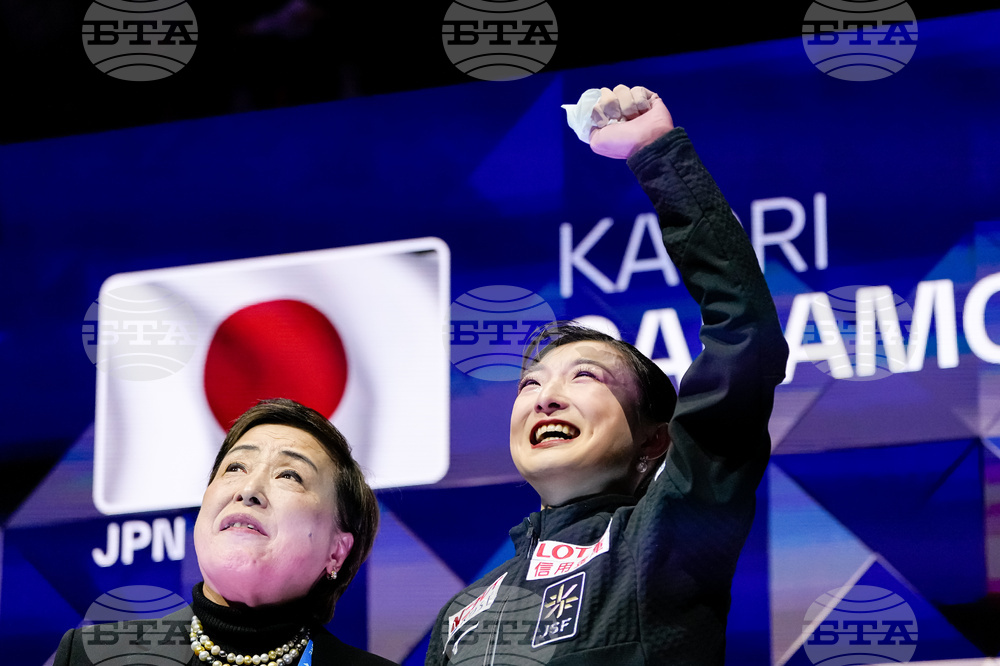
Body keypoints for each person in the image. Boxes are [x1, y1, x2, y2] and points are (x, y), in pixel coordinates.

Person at [426, 86, 789, 664]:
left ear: (654, 441)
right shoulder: (461, 616)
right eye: (530, 383)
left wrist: (656, 153)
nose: (546, 399)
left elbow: (744, 335)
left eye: (585, 377)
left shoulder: (665, 535)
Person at [54, 398, 397, 666]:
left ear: (336, 551)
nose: (248, 489)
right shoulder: (92, 658)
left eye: (289, 475)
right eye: (235, 467)